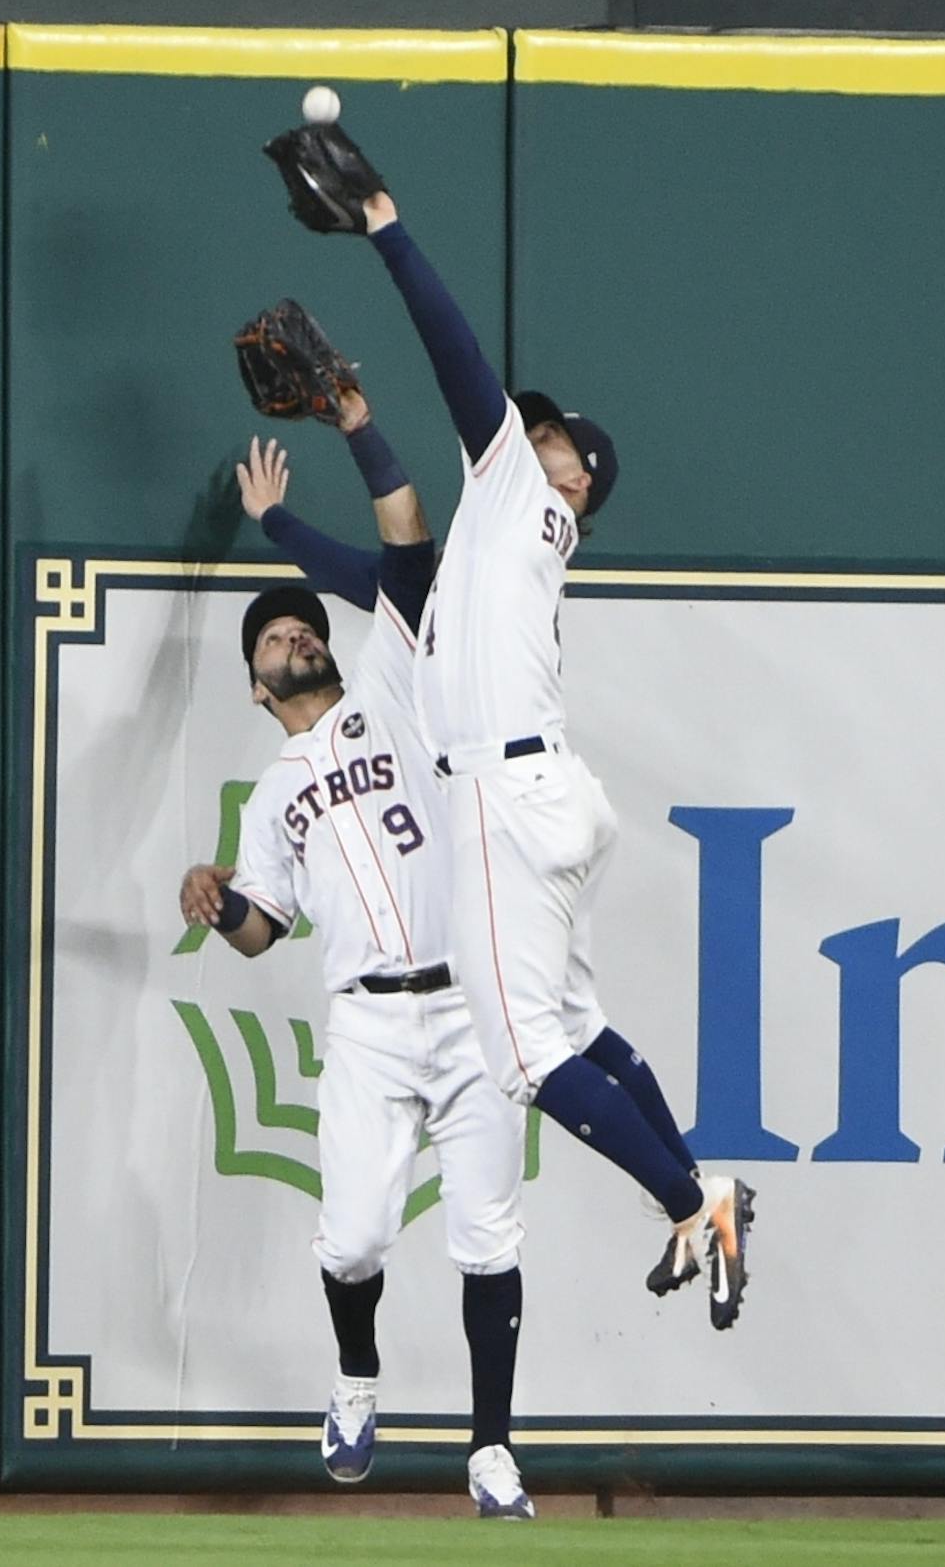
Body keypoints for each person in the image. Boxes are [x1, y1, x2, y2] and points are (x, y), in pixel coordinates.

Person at [307, 182, 757, 1331]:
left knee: (521, 1061)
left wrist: (385, 225)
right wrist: (351, 431)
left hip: (506, 799)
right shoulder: (492, 550)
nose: (523, 432)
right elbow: (390, 576)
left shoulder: (520, 489)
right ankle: (705, 1181)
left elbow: (454, 354)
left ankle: (688, 1197)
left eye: (546, 437)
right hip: (546, 790)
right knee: (579, 1029)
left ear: (573, 481)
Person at [178, 399, 536, 1519]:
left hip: (470, 1001)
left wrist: (353, 432)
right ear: (253, 685)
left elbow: (406, 536)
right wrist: (216, 899)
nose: (295, 637)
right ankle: (354, 1381)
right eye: (273, 639)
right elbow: (260, 933)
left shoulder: (392, 682)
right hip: (371, 1026)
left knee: (488, 1239)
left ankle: (490, 1451)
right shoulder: (276, 792)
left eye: (300, 628)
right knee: (354, 1239)